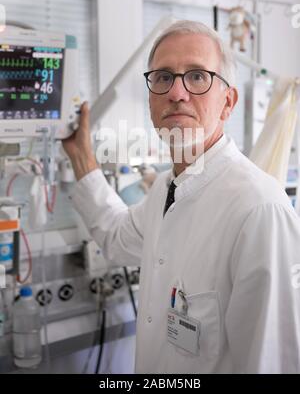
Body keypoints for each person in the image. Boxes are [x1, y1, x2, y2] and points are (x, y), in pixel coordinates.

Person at [63, 20, 300, 374]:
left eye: (197, 76)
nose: (176, 93)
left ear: (227, 102)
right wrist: (81, 155)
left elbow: (272, 365)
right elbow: (116, 237)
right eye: (162, 77)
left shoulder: (259, 209)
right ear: (150, 98)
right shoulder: (165, 188)